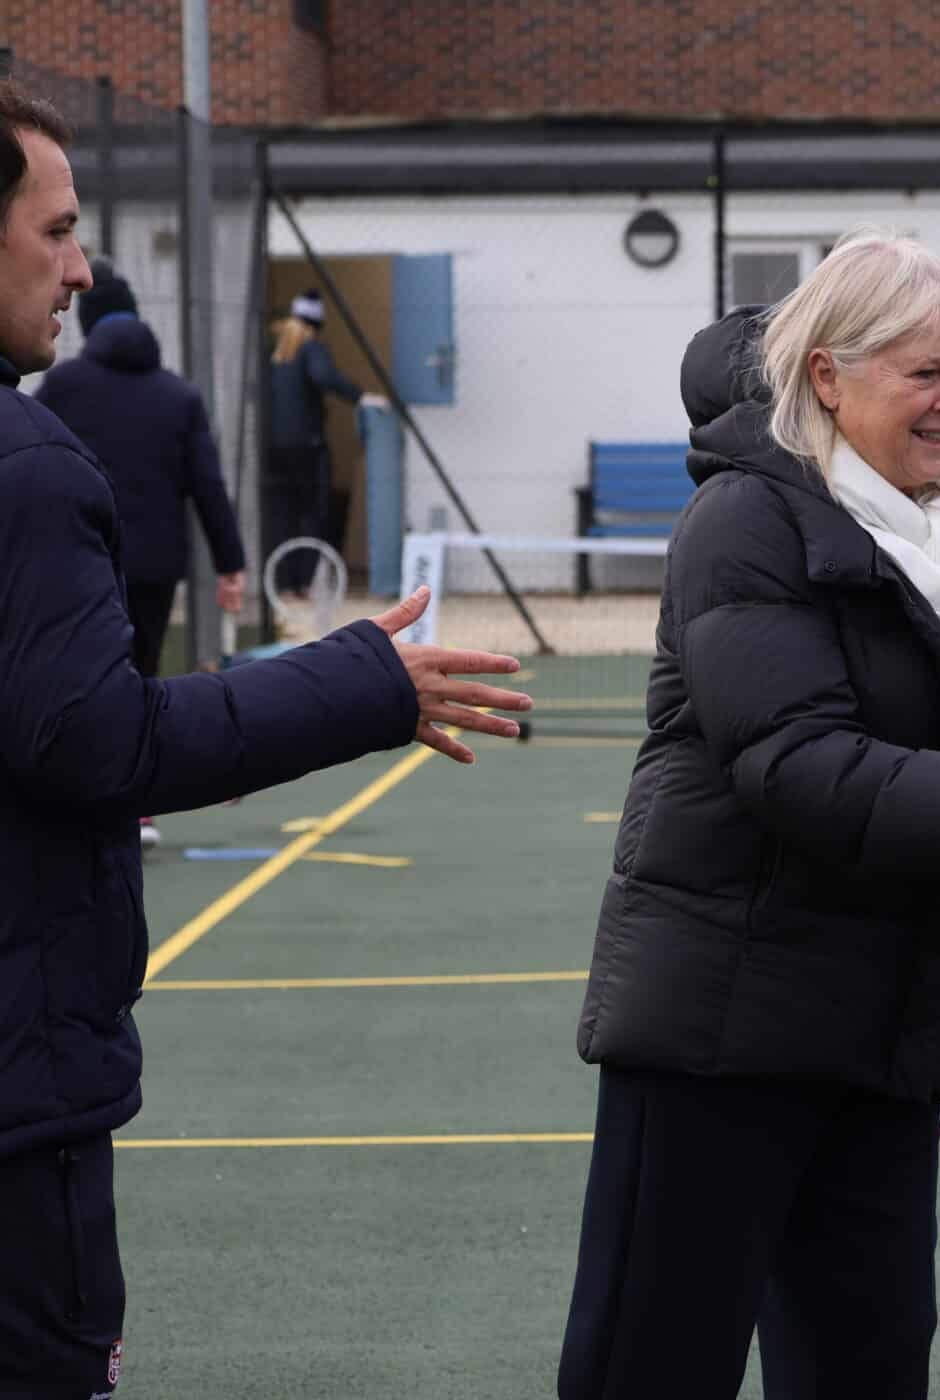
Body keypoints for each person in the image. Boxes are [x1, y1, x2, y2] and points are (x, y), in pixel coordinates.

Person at [558, 230, 940, 1400]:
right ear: (828, 377)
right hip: (722, 1032)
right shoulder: (747, 520)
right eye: (924, 372)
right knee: (651, 1363)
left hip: (883, 1020)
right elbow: (797, 762)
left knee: (869, 1364)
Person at [0, 82, 533, 1399]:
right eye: (58, 229)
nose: (80, 267)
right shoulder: (29, 464)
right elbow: (103, 740)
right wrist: (359, 682)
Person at [35, 260, 247, 850]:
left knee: (78, 674)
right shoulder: (177, 396)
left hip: (78, 555)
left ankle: (79, 799)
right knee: (141, 672)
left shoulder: (63, 386)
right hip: (155, 562)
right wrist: (231, 564)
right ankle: (139, 809)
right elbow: (207, 485)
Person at [265, 288, 362, 595]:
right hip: (307, 446)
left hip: (273, 447)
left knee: (282, 514)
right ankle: (306, 581)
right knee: (311, 514)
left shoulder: (275, 349)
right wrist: (359, 395)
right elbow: (323, 377)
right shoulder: (311, 348)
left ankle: (282, 581)